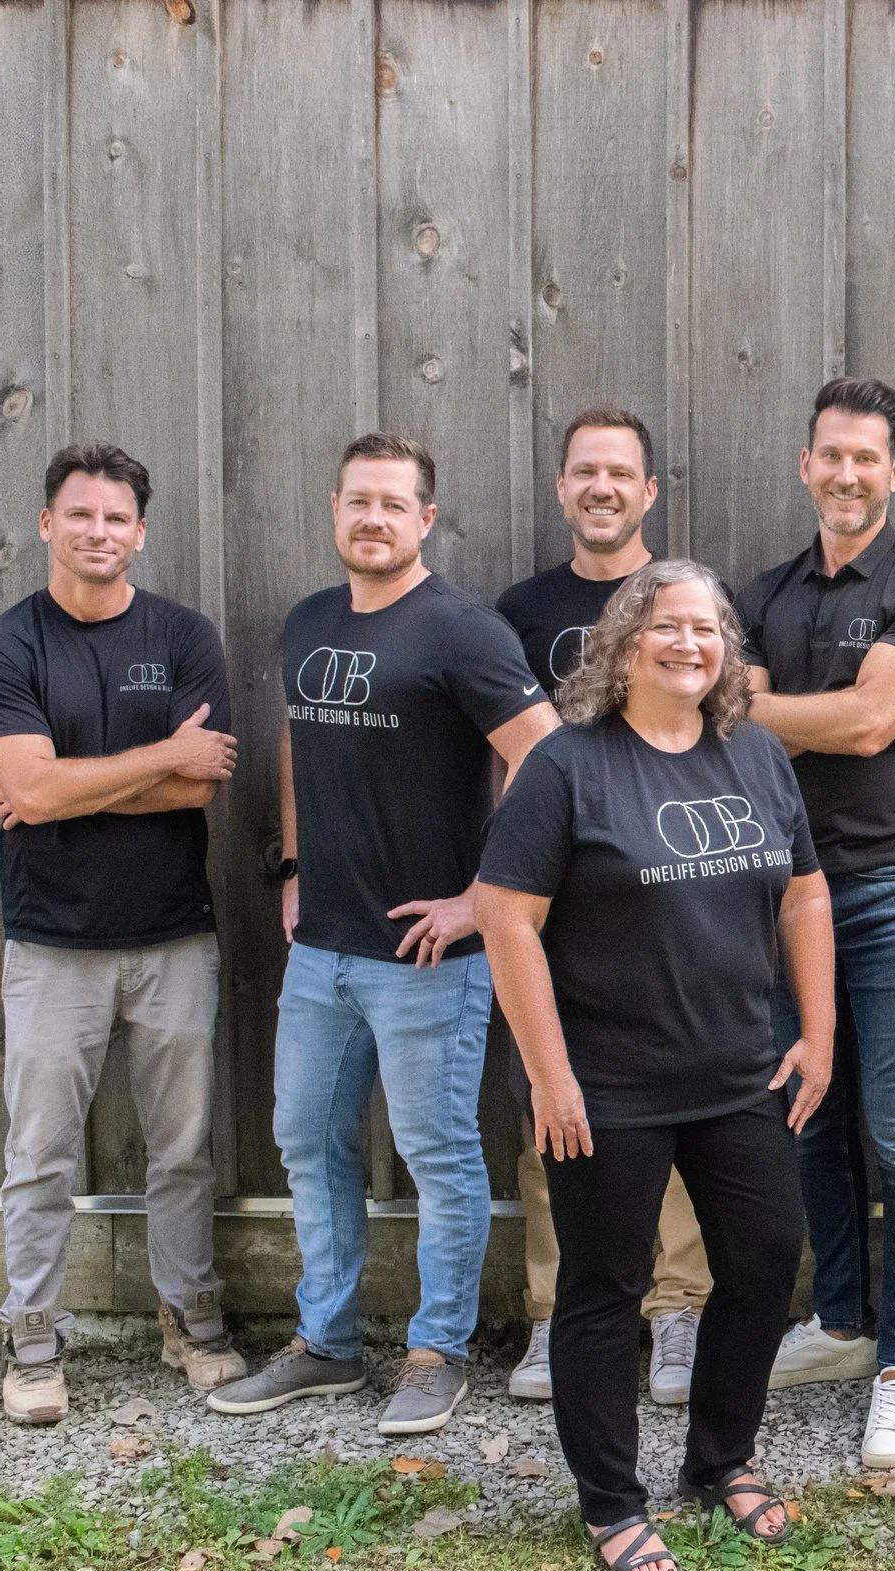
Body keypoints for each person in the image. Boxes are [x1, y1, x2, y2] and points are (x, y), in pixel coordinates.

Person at [475, 559, 833, 1571]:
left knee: (765, 1259)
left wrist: (817, 1030)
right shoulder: (568, 765)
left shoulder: (756, 755)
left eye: (708, 628)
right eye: (665, 626)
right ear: (623, 643)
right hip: (608, 1082)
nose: (689, 643)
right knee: (604, 1288)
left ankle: (720, 1457)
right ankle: (613, 1501)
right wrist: (550, 1076)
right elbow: (506, 917)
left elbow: (805, 895)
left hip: (739, 1073)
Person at [210, 433, 559, 1436]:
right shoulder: (310, 621)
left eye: (392, 503)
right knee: (307, 1140)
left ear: (424, 519)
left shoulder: (463, 631)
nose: (372, 517)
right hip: (322, 947)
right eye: (356, 500)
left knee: (438, 1152)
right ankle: (324, 1342)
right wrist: (293, 863)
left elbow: (547, 762)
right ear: (334, 510)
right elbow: (293, 734)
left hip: (428, 956)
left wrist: (482, 898)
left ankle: (435, 1348)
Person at [0, 442, 246, 1425]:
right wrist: (152, 758)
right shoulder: (4, 647)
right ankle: (33, 1331)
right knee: (38, 1148)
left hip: (174, 936)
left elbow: (198, 781)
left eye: (116, 517)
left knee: (182, 1147)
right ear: (48, 524)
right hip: (51, 944)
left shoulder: (181, 634)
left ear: (140, 531)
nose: (98, 531)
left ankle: (190, 1310)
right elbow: (33, 788)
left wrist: (64, 786)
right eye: (79, 514)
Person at [738, 378, 895, 1469]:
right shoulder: (766, 591)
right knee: (806, 1111)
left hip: (885, 891)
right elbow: (720, 724)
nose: (845, 473)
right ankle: (839, 1319)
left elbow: (876, 720)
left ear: (894, 470)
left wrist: (789, 712)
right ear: (805, 462)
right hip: (781, 892)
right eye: (829, 454)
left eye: (865, 457)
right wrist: (843, 716)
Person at [494, 408, 713, 1408]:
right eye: (585, 471)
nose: (602, 487)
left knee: (677, 1102)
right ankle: (552, 1313)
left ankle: (675, 1311)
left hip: (672, 890)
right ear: (561, 486)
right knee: (554, 1101)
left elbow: (733, 727)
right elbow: (495, 756)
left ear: (648, 492)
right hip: (557, 895)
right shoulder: (519, 609)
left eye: (620, 472)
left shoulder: (686, 600)